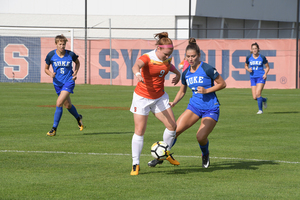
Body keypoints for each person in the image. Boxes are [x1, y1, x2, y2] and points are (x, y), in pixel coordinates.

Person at [148, 38, 226, 168]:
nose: (190, 59)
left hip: (211, 108)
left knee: (200, 137)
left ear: (199, 55)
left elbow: (222, 84)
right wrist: (174, 102)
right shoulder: (186, 73)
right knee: (174, 131)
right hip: (194, 107)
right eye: (188, 56)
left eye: (193, 56)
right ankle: (161, 156)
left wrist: (207, 90)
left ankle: (205, 154)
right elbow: (182, 91)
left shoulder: (207, 68)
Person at [130, 32, 181, 175]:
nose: (167, 56)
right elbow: (136, 66)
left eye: (169, 54)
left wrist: (178, 74)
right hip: (142, 97)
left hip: (159, 97)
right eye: (165, 53)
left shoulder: (167, 58)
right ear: (158, 48)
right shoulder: (147, 57)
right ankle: (135, 164)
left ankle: (166, 153)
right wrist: (138, 74)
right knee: (139, 131)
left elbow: (168, 66)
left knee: (172, 126)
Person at [45, 34, 84, 136]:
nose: (62, 46)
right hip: (57, 84)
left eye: (64, 44)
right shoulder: (51, 55)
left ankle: (54, 129)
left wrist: (75, 72)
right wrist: (51, 74)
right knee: (68, 105)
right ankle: (78, 118)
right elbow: (46, 69)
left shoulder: (70, 54)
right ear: (56, 44)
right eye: (60, 44)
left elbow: (78, 63)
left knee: (59, 103)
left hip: (69, 82)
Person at [245, 42, 270, 114]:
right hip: (253, 78)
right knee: (255, 97)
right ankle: (264, 100)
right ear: (251, 50)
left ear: (258, 49)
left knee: (258, 93)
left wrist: (265, 74)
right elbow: (246, 65)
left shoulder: (262, 57)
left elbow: (267, 67)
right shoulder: (249, 57)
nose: (254, 50)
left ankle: (260, 110)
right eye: (253, 48)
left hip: (261, 77)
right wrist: (248, 69)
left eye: (255, 48)